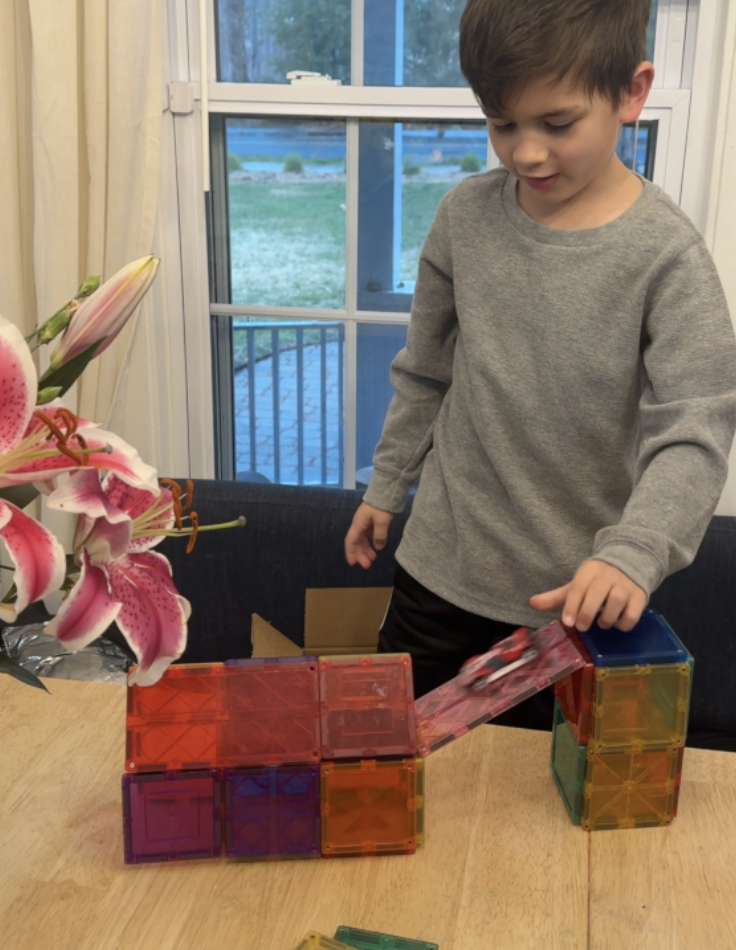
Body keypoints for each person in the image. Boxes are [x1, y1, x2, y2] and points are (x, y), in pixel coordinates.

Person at [344, 0, 736, 722]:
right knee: (390, 766)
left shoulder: (669, 257)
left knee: (539, 807)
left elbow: (695, 428)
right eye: (502, 123)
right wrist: (386, 485)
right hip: (438, 577)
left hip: (577, 603)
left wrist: (635, 552)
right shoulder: (464, 216)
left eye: (557, 123)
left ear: (631, 93)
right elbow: (426, 370)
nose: (526, 152)